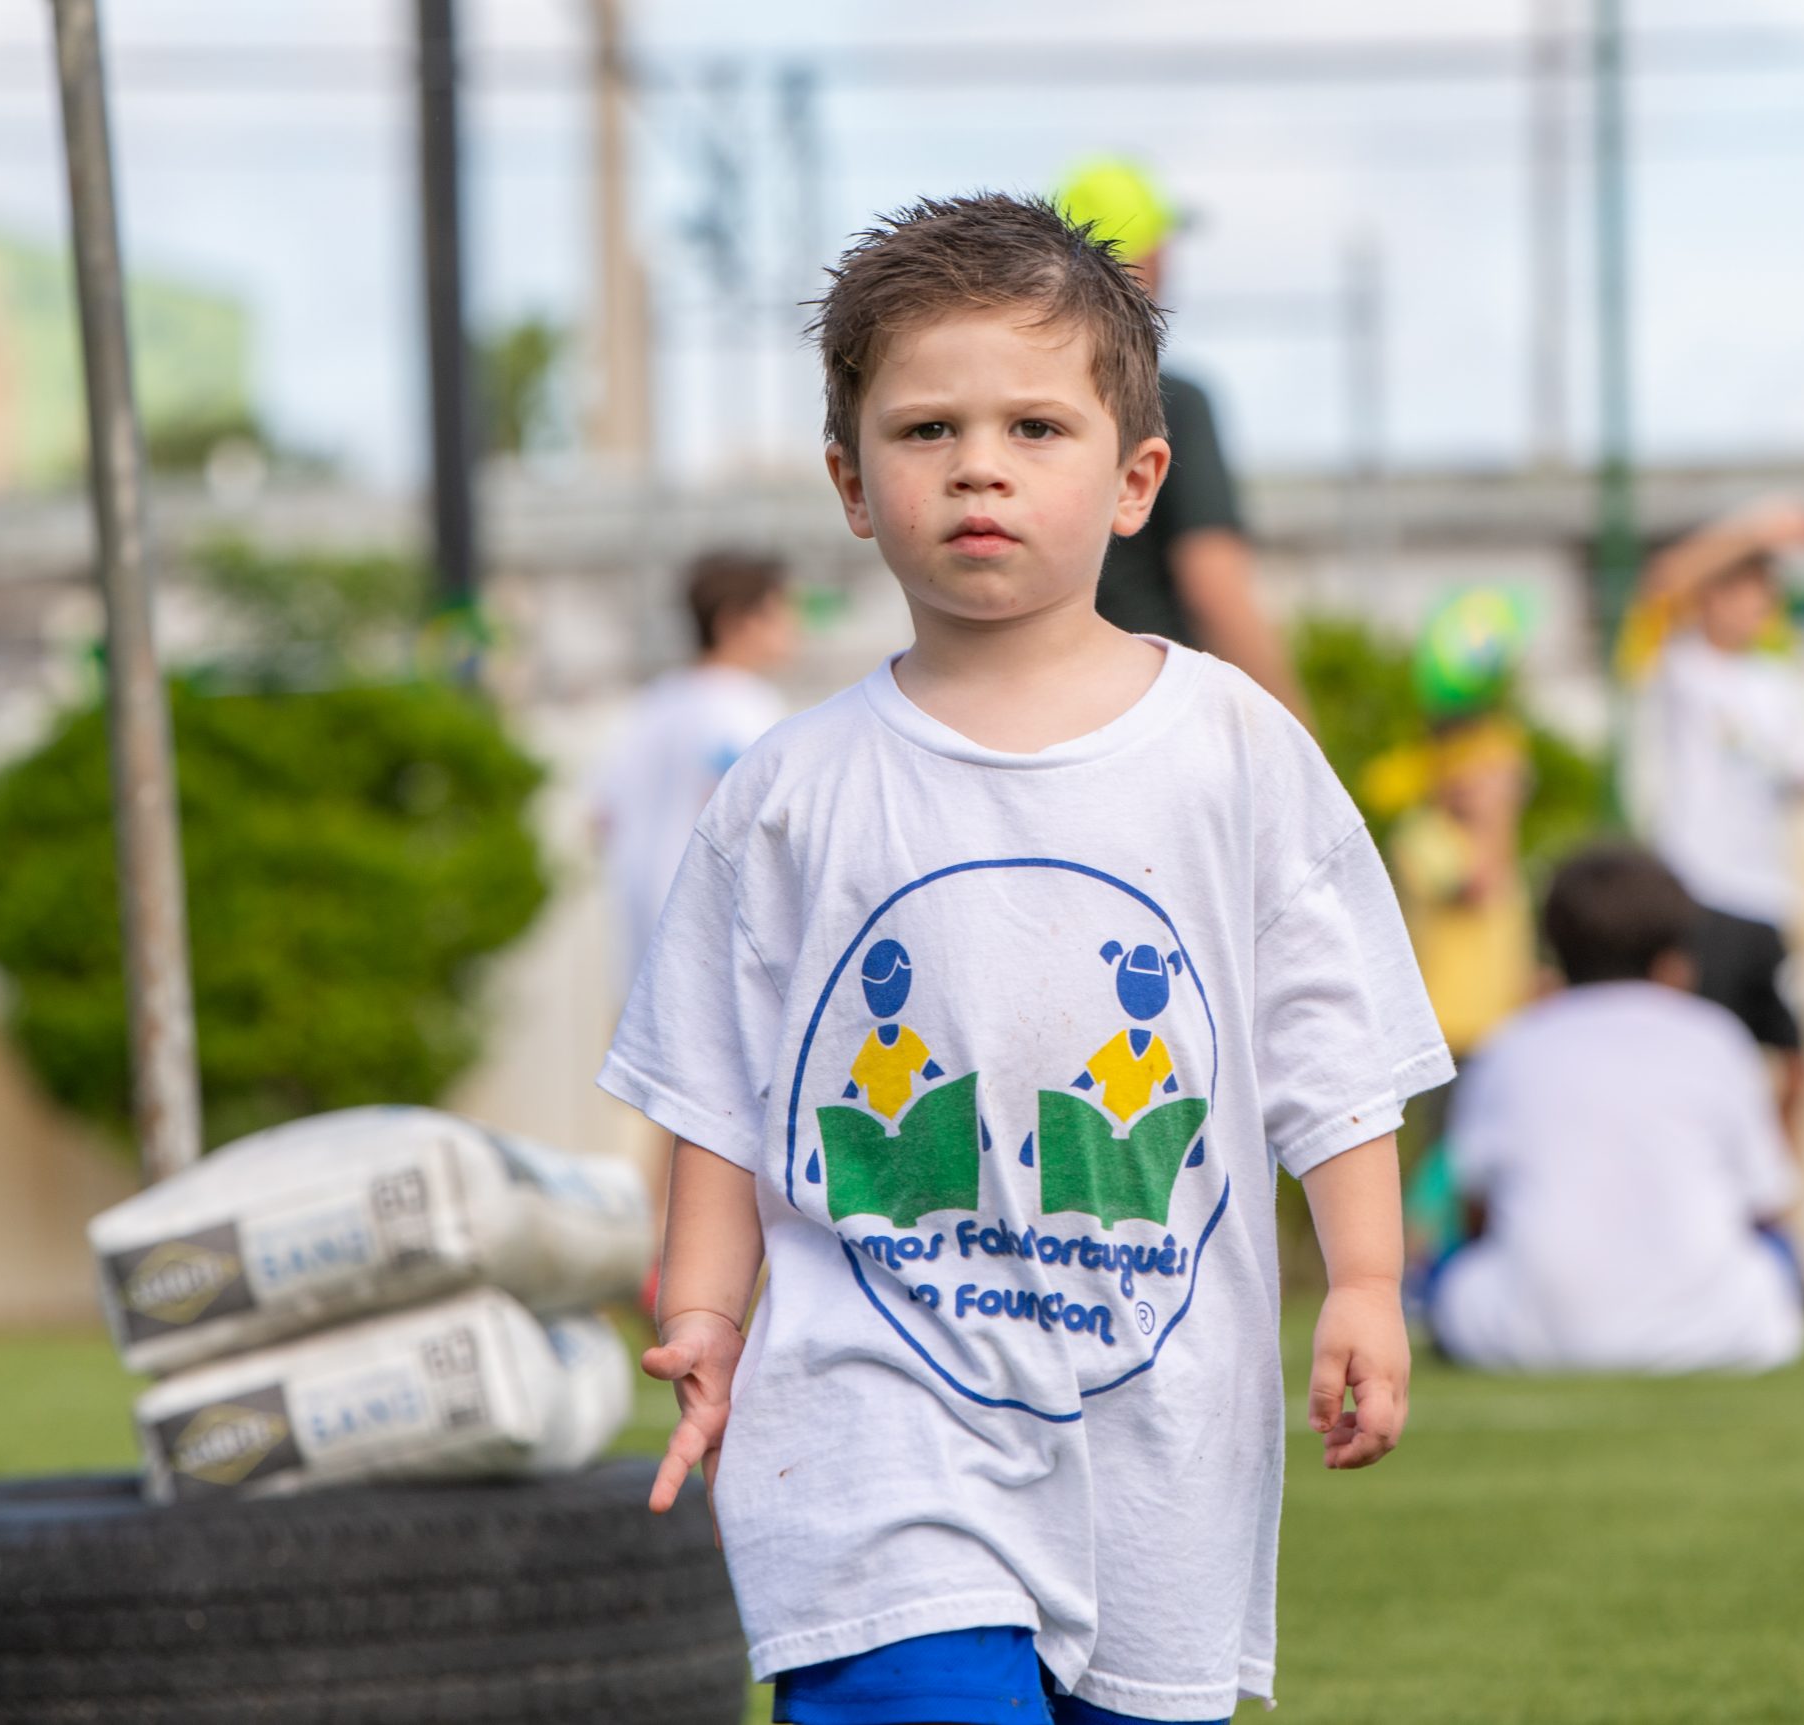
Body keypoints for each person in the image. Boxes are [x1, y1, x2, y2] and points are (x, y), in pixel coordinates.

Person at [599, 194, 1449, 1725]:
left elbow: (1336, 1039)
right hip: (866, 1413)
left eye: (1036, 428)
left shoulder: (1235, 752)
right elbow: (718, 1097)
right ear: (853, 486)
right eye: (927, 430)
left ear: (1136, 482)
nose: (979, 463)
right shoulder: (786, 795)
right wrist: (715, 1322)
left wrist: (1368, 1280)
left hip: (1157, 1422)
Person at [1424, 844, 1804, 1376]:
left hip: (1531, 1337)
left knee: (1445, 1272)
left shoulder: (1510, 1047)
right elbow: (1766, 1204)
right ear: (1674, 959)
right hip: (1714, 1333)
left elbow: (1476, 1211)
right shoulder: (1716, 1040)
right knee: (1781, 1258)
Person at [1621, 495, 1804, 1146]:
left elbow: (1789, 781)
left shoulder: (1775, 682)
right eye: (1740, 592)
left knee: (1799, 1063)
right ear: (1711, 599)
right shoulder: (1681, 665)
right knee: (1696, 1059)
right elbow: (1663, 579)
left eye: (1763, 595)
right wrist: (1758, 527)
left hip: (1767, 899)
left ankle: (1764, 1204)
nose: (1755, 607)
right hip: (1702, 889)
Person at [1052, 158, 1310, 723]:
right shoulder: (1172, 404)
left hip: (1043, 703)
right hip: (1155, 712)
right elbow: (1214, 583)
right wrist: (1294, 732)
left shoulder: (1026, 414)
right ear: (1148, 259)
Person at [1380, 589, 1539, 1272]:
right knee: (1444, 1157)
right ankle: (1414, 1266)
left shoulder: (1475, 834)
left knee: (1487, 1154)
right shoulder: (1426, 837)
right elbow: (1483, 886)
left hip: (1502, 1022)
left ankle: (1462, 1263)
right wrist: (1498, 811)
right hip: (1451, 1027)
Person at [590, 551, 795, 986]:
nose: (792, 628)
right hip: (714, 941)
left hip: (641, 932)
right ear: (734, 622)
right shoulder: (748, 710)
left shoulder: (650, 704)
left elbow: (600, 820)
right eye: (778, 613)